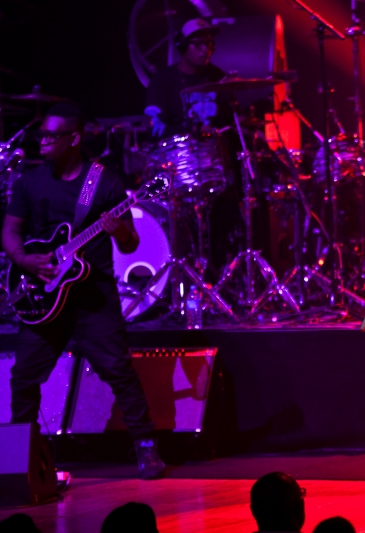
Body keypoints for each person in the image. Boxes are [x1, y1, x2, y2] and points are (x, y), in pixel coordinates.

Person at [2, 104, 165, 480]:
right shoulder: (29, 182)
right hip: (42, 296)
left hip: (94, 298)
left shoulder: (102, 181)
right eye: (40, 135)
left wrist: (118, 229)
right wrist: (24, 260)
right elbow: (10, 231)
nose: (41, 141)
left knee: (119, 371)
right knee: (24, 377)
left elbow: (128, 244)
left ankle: (146, 448)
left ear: (74, 139)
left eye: (50, 136)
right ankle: (23, 461)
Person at [144, 18, 225, 138]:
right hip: (177, 153)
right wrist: (192, 130)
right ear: (182, 45)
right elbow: (154, 128)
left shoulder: (218, 76)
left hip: (213, 151)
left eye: (208, 43)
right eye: (198, 44)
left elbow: (232, 122)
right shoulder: (162, 80)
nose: (205, 49)